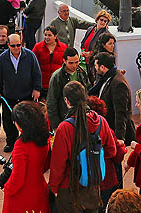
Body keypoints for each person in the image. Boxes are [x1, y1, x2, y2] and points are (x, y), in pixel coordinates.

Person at [50, 81, 119, 212]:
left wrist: (53, 187)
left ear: (67, 101)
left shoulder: (65, 127)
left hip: (69, 186)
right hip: (93, 184)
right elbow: (111, 151)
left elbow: (58, 164)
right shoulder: (101, 121)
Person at [0, 33, 42, 152]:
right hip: (9, 96)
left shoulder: (30, 56)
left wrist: (37, 89)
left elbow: (36, 73)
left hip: (26, 95)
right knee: (9, 121)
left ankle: (28, 143)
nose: (16, 48)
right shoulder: (3, 58)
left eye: (18, 45)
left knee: (28, 120)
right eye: (13, 46)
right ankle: (11, 142)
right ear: (8, 45)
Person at [3, 101, 51, 213]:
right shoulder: (45, 138)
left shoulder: (21, 145)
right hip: (40, 191)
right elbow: (47, 164)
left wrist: (8, 188)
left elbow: (18, 178)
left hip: (22, 196)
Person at [90, 53, 134, 144]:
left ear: (102, 67)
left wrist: (119, 138)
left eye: (96, 65)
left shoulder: (118, 83)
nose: (95, 68)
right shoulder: (108, 77)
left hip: (116, 132)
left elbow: (121, 112)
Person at [47, 48, 86, 129]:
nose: (74, 66)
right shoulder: (56, 77)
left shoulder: (81, 72)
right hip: (64, 119)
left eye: (77, 62)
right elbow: (51, 103)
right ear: (64, 61)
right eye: (71, 63)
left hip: (80, 118)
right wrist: (56, 127)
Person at [33, 26, 67, 96]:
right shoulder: (37, 47)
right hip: (42, 85)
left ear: (55, 36)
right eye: (45, 35)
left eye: (49, 35)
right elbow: (33, 65)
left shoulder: (63, 47)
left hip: (57, 85)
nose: (46, 37)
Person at [81, 10, 111, 80]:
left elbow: (102, 50)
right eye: (101, 20)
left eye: (105, 21)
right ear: (97, 19)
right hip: (85, 61)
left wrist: (90, 54)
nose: (103, 22)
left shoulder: (105, 34)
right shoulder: (90, 29)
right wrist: (83, 51)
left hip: (96, 64)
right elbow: (83, 43)